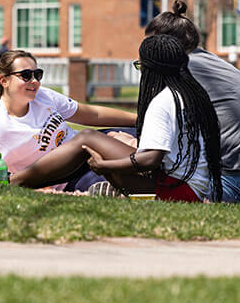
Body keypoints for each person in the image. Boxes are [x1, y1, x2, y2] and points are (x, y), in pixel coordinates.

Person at [143, 0, 240, 202]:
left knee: (143, 154)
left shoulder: (184, 68)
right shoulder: (209, 61)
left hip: (238, 184)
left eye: (150, 46)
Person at [0, 50, 138, 190]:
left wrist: (138, 120)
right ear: (4, 80)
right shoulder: (1, 127)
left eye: (37, 74)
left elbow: (90, 113)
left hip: (89, 150)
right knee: (134, 174)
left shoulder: (42, 96)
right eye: (26, 75)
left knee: (146, 136)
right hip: (68, 177)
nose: (34, 81)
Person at [85, 33, 224, 202]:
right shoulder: (191, 94)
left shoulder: (163, 101)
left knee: (88, 138)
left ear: (151, 68)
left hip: (179, 191)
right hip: (194, 188)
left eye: (140, 66)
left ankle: (43, 181)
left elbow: (151, 159)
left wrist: (103, 166)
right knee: (103, 142)